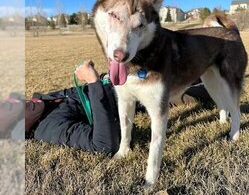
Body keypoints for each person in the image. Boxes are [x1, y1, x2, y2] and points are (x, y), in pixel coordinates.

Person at [25, 60, 213, 155]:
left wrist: (106, 79)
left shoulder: (41, 101)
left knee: (181, 70)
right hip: (134, 96)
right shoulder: (50, 129)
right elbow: (103, 145)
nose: (23, 103)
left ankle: (207, 70)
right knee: (196, 92)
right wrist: (93, 81)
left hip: (120, 80)